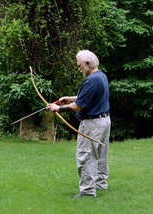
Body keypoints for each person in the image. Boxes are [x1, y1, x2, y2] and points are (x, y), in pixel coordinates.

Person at [47, 50, 111, 198]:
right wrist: (69, 98)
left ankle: (88, 191)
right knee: (100, 154)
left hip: (92, 124)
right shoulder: (101, 76)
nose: (79, 69)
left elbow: (80, 106)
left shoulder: (91, 80)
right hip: (104, 121)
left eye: (80, 65)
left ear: (88, 64)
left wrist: (58, 108)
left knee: (86, 155)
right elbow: (88, 97)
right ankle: (100, 184)